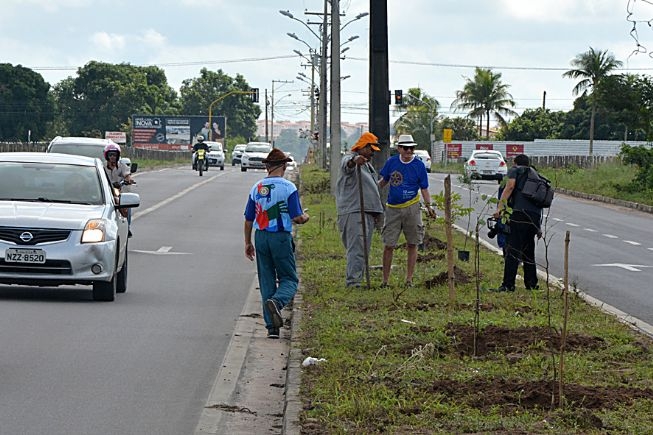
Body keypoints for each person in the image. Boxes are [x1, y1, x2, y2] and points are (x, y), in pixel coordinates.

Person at [243, 148, 310, 339]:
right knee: (289, 279)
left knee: (266, 280)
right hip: (280, 237)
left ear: (267, 167)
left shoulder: (256, 188)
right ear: (283, 166)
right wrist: (305, 217)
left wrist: (247, 243)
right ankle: (278, 302)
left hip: (261, 236)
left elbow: (248, 219)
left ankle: (272, 328)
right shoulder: (289, 188)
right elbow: (297, 216)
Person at [378, 134, 437, 287]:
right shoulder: (391, 162)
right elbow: (383, 181)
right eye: (406, 148)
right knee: (389, 244)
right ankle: (385, 280)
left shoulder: (419, 166)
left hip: (412, 208)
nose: (409, 151)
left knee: (413, 243)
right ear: (399, 149)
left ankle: (409, 279)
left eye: (411, 148)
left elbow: (424, 188)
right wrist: (370, 190)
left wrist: (429, 206)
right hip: (393, 209)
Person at [335, 132, 384, 288]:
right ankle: (353, 282)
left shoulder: (367, 165)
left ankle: (358, 279)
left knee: (363, 249)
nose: (372, 153)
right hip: (355, 211)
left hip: (367, 212)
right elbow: (348, 164)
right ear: (363, 147)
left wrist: (376, 211)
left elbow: (372, 187)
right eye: (371, 149)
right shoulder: (351, 159)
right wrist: (355, 160)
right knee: (356, 248)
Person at [491, 154, 543, 292]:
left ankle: (508, 285)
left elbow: (510, 187)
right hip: (534, 217)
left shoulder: (515, 170)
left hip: (519, 214)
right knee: (528, 250)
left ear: (515, 163)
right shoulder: (535, 174)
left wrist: (500, 208)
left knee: (513, 250)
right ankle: (531, 284)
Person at [103, 143, 135, 235]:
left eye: (114, 155)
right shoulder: (102, 166)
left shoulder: (122, 166)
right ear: (107, 156)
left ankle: (127, 226)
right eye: (110, 155)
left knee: (125, 206)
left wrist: (128, 180)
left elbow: (127, 175)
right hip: (106, 190)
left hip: (118, 190)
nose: (112, 157)